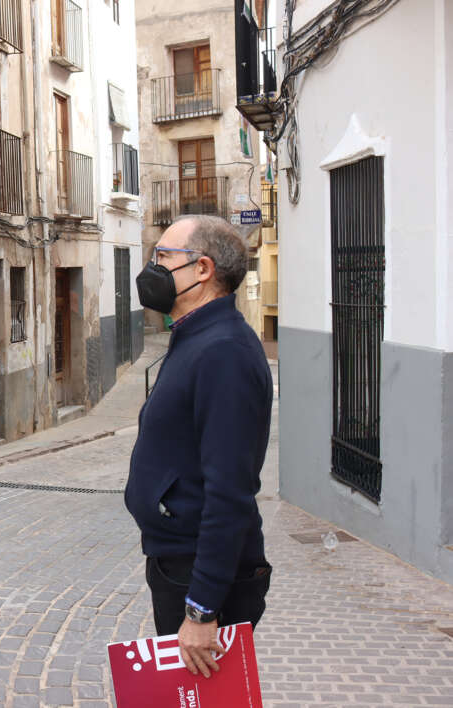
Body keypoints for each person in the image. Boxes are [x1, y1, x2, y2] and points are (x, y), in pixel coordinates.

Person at [125, 215, 273, 679]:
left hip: (198, 572)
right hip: (177, 558)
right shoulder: (196, 337)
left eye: (163, 257)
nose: (152, 268)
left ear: (203, 269)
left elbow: (229, 489)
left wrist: (203, 608)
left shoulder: (222, 351)